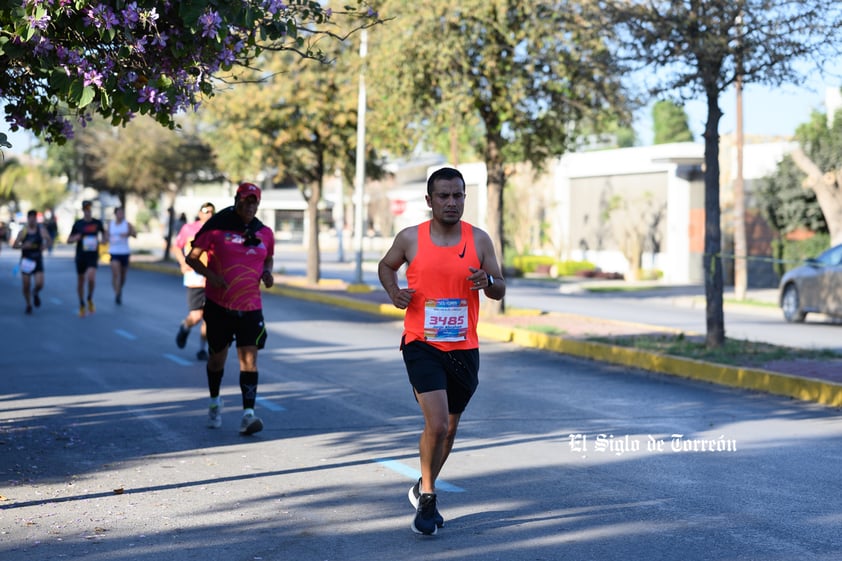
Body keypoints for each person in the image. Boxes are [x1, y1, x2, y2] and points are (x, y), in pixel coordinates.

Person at [377, 167, 506, 536]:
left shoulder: (479, 240)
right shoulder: (410, 238)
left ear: (465, 197)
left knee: (448, 431)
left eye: (458, 195)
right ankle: (429, 499)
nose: (452, 202)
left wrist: (489, 281)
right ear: (430, 200)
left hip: (464, 347)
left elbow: (500, 288)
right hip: (422, 343)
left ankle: (422, 483)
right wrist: (394, 292)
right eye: (444, 196)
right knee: (436, 423)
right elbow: (387, 266)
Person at [185, 183, 275, 435]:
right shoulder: (216, 227)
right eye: (245, 200)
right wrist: (211, 276)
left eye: (254, 201)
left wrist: (267, 272)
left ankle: (248, 414)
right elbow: (192, 257)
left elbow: (268, 256)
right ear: (236, 199)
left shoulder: (264, 232)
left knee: (250, 360)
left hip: (250, 306)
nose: (249, 205)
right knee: (217, 360)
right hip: (219, 305)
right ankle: (215, 401)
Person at [172, 202, 216, 361]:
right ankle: (185, 326)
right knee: (196, 316)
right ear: (199, 213)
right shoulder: (188, 229)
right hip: (195, 278)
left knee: (209, 317)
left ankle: (202, 349)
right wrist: (183, 263)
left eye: (212, 211)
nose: (209, 214)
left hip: (211, 279)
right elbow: (177, 246)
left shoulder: (217, 231)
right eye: (206, 211)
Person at [67, 200, 106, 317]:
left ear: (91, 210)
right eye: (85, 209)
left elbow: (105, 234)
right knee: (81, 281)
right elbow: (69, 240)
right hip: (81, 256)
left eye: (89, 209)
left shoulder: (97, 223)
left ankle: (89, 298)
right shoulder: (78, 224)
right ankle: (82, 304)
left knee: (91, 277)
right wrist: (76, 238)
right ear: (83, 210)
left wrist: (104, 240)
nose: (87, 211)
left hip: (93, 255)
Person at [12, 209, 53, 314]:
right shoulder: (23, 232)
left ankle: (35, 292)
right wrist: (23, 246)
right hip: (26, 261)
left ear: (36, 219)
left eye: (34, 218)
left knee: (40, 284)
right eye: (30, 218)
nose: (32, 220)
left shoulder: (41, 230)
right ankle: (28, 304)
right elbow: (15, 245)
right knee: (26, 285)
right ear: (28, 219)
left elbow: (49, 240)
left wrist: (45, 246)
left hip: (37, 259)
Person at [106, 206, 137, 304]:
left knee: (123, 276)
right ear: (115, 214)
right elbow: (106, 236)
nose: (120, 215)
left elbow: (135, 235)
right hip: (114, 252)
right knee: (116, 274)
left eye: (122, 213)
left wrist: (128, 233)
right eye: (119, 213)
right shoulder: (110, 224)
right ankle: (117, 293)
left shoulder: (127, 224)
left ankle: (119, 289)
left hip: (125, 252)